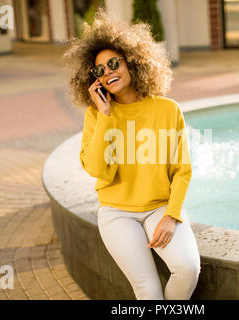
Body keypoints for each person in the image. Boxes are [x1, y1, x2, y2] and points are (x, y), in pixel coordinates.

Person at [62, 9, 200, 300]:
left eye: (114, 63)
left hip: (160, 206)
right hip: (117, 212)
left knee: (187, 268)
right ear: (95, 79)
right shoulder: (95, 115)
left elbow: (182, 170)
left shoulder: (167, 109)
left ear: (132, 62)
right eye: (100, 70)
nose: (109, 72)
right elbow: (99, 170)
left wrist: (171, 215)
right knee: (147, 290)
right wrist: (105, 116)